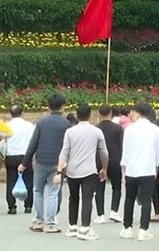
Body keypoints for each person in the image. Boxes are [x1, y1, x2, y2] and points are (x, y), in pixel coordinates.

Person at [56, 103, 108, 241]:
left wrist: (59, 171)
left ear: (77, 116)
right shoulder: (96, 131)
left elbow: (64, 152)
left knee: (73, 198)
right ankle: (84, 228)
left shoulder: (70, 132)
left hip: (72, 170)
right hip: (89, 170)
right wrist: (104, 168)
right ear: (90, 115)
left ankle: (72, 226)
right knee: (87, 198)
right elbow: (104, 152)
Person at [20, 93, 70, 234]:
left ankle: (38, 221)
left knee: (38, 191)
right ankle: (51, 223)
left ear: (48, 106)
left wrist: (24, 163)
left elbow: (33, 144)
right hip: (57, 163)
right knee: (54, 193)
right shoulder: (66, 124)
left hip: (41, 162)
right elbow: (68, 146)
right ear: (62, 107)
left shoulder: (41, 122)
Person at [119, 102, 159, 241]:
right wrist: (156, 168)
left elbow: (125, 152)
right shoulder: (155, 129)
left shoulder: (129, 129)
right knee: (146, 200)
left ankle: (127, 228)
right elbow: (158, 153)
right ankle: (143, 229)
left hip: (131, 169)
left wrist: (123, 172)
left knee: (129, 198)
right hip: (148, 169)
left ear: (138, 113)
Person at [95, 103, 124, 224]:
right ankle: (114, 211)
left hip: (99, 160)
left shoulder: (96, 128)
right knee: (116, 187)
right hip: (115, 160)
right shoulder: (118, 128)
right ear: (111, 113)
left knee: (99, 188)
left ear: (99, 114)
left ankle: (100, 214)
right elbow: (122, 145)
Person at [4, 104, 35, 215]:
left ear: (11, 114)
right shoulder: (29, 125)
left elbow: (3, 141)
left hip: (11, 156)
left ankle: (12, 206)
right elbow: (33, 141)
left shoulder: (6, 126)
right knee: (28, 181)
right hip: (25, 156)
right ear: (22, 113)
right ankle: (28, 206)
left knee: (11, 181)